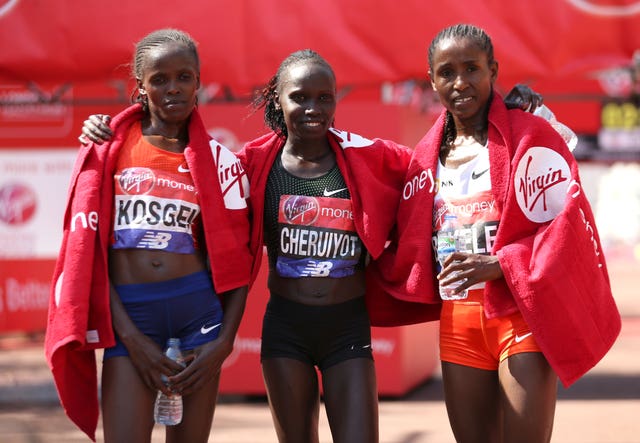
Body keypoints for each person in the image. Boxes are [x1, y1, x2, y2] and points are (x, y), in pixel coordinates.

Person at [78, 49, 541, 443]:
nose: (313, 108)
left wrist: (504, 110)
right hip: (286, 332)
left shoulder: (367, 157)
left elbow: (434, 152)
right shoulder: (252, 164)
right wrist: (115, 126)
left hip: (348, 330)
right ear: (278, 100)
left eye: (324, 97)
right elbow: (182, 173)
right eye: (299, 97)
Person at [370, 24, 621, 443]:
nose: (460, 82)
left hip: (519, 314)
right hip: (458, 321)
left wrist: (500, 264)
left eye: (472, 68)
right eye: (446, 72)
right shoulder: (424, 160)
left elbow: (565, 225)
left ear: (493, 71)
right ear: (431, 81)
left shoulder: (530, 136)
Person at [45, 28, 252, 443]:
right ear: (140, 86)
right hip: (132, 317)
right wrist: (131, 337)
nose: (172, 88)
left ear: (198, 82)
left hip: (200, 319)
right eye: (159, 79)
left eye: (184, 77)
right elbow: (93, 256)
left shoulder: (220, 160)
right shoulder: (109, 147)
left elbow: (238, 261)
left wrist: (225, 341)